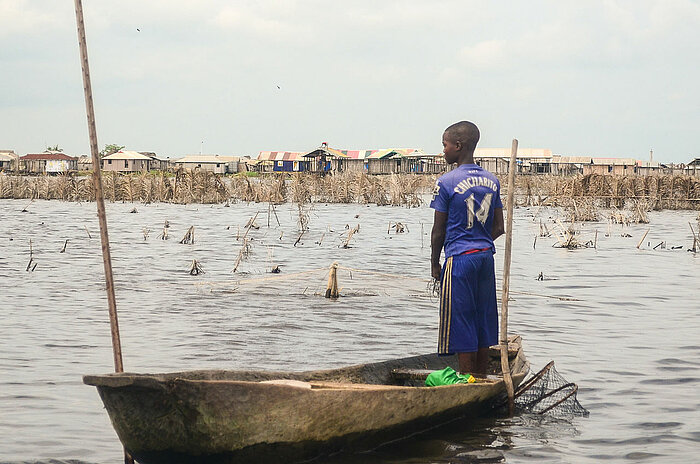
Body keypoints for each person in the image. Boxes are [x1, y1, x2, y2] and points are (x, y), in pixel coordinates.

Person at [430, 121, 505, 376]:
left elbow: (438, 230)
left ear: (458, 146)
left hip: (459, 260)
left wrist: (435, 263)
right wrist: (478, 242)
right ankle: (482, 378)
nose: (443, 151)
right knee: (483, 317)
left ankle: (466, 380)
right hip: (485, 257)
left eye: (445, 145)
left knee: (461, 320)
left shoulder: (447, 182)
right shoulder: (492, 180)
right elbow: (499, 228)